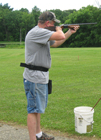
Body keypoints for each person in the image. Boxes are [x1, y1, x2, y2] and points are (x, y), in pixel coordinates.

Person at [23, 11, 79, 140]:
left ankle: (38, 135)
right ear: (48, 23)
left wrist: (70, 32)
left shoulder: (43, 34)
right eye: (54, 23)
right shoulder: (37, 32)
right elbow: (60, 36)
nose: (55, 25)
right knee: (33, 109)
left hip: (40, 76)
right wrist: (60, 29)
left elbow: (56, 43)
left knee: (38, 108)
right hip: (34, 77)